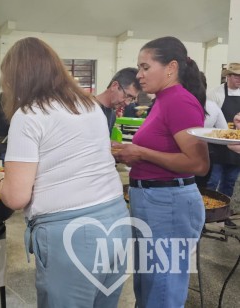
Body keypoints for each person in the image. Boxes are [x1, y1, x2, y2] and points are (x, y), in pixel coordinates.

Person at [0, 37, 131, 308]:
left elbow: (17, 196)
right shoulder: (89, 105)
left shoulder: (29, 114)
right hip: (116, 220)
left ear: (16, 78)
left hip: (73, 236)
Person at [113, 36, 209, 308]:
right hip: (152, 201)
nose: (139, 76)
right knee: (149, 283)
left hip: (169, 204)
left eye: (145, 67)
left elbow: (198, 164)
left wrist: (141, 153)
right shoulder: (162, 100)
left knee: (163, 288)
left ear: (171, 67)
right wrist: (130, 151)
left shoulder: (180, 101)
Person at [206, 62, 240, 227]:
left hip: (236, 148)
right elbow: (209, 121)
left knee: (230, 182)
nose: (239, 79)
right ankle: (205, 214)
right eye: (236, 76)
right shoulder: (215, 94)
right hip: (218, 147)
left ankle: (223, 215)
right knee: (212, 182)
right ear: (228, 76)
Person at [195, 72, 228, 188]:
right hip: (205, 154)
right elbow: (225, 132)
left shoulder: (178, 104)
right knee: (201, 190)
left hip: (180, 155)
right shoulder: (212, 106)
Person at [93, 67, 141, 134]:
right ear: (114, 86)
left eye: (132, 99)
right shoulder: (88, 108)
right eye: (127, 96)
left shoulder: (112, 115)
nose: (127, 103)